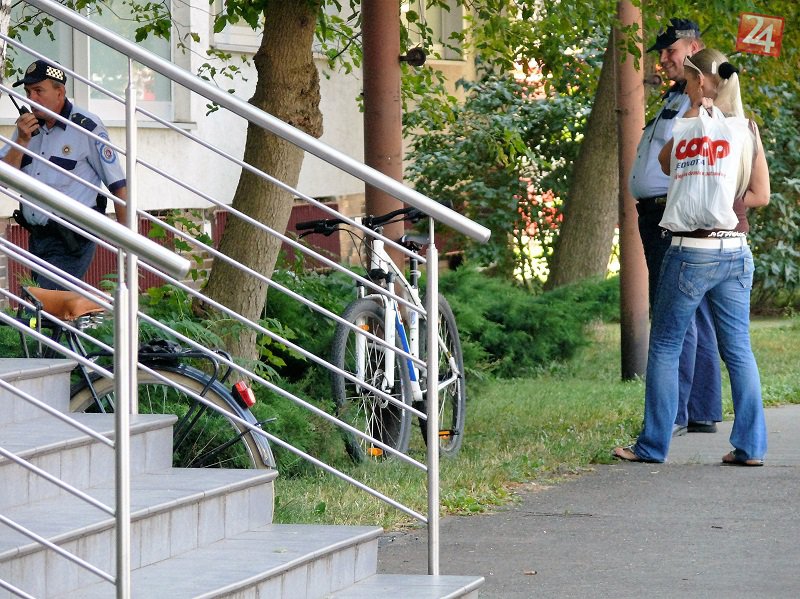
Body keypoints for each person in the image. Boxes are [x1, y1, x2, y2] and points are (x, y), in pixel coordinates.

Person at [614, 48, 771, 465]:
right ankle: (751, 448)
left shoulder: (687, 127)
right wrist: (723, 200)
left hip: (690, 253)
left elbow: (665, 165)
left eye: (687, 81)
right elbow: (761, 194)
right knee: (738, 350)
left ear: (700, 82)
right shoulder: (747, 130)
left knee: (666, 346)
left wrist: (692, 116)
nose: (683, 88)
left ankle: (652, 446)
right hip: (736, 252)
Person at [627, 19, 722, 436]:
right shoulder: (677, 97)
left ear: (694, 49)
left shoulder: (704, 99)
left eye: (671, 50)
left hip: (673, 214)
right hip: (659, 214)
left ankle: (676, 413)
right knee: (693, 312)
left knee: (674, 313)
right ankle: (701, 409)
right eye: (662, 52)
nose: (663, 58)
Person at [1, 59, 127, 291]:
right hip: (38, 238)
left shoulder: (86, 127)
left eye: (39, 91)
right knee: (39, 306)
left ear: (60, 92)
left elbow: (118, 186)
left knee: (41, 305)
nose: (31, 98)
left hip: (71, 239)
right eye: (28, 92)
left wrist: (129, 245)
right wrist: (21, 142)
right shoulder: (26, 129)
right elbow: (3, 179)